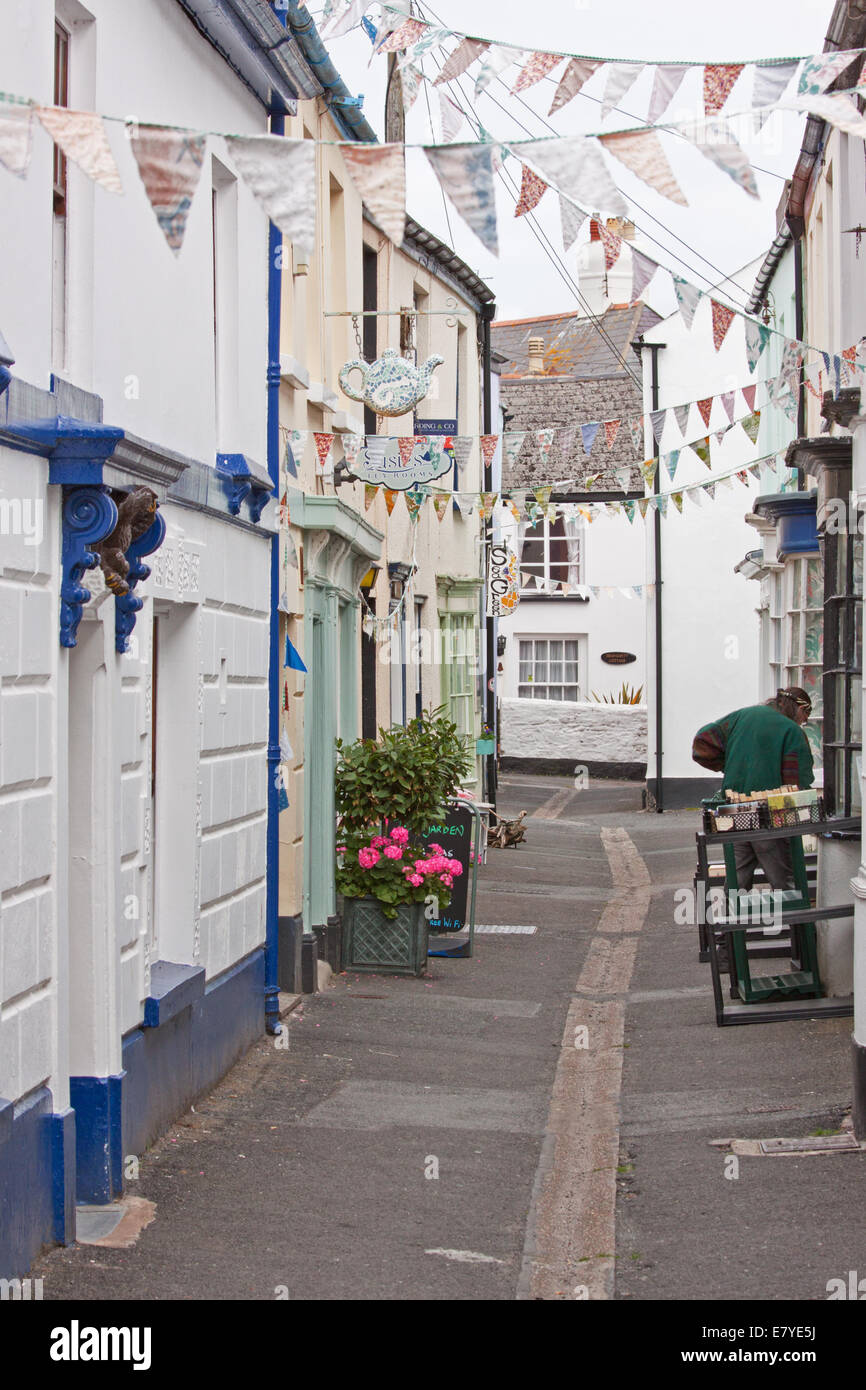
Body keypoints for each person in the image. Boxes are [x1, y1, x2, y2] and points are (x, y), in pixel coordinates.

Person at [693, 688, 814, 889]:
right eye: (805, 716)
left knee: (736, 880)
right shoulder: (792, 731)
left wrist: (729, 765)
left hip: (733, 811)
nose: (803, 722)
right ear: (800, 708)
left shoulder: (741, 716)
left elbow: (702, 744)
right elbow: (797, 782)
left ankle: (732, 919)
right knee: (786, 885)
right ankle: (798, 920)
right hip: (769, 816)